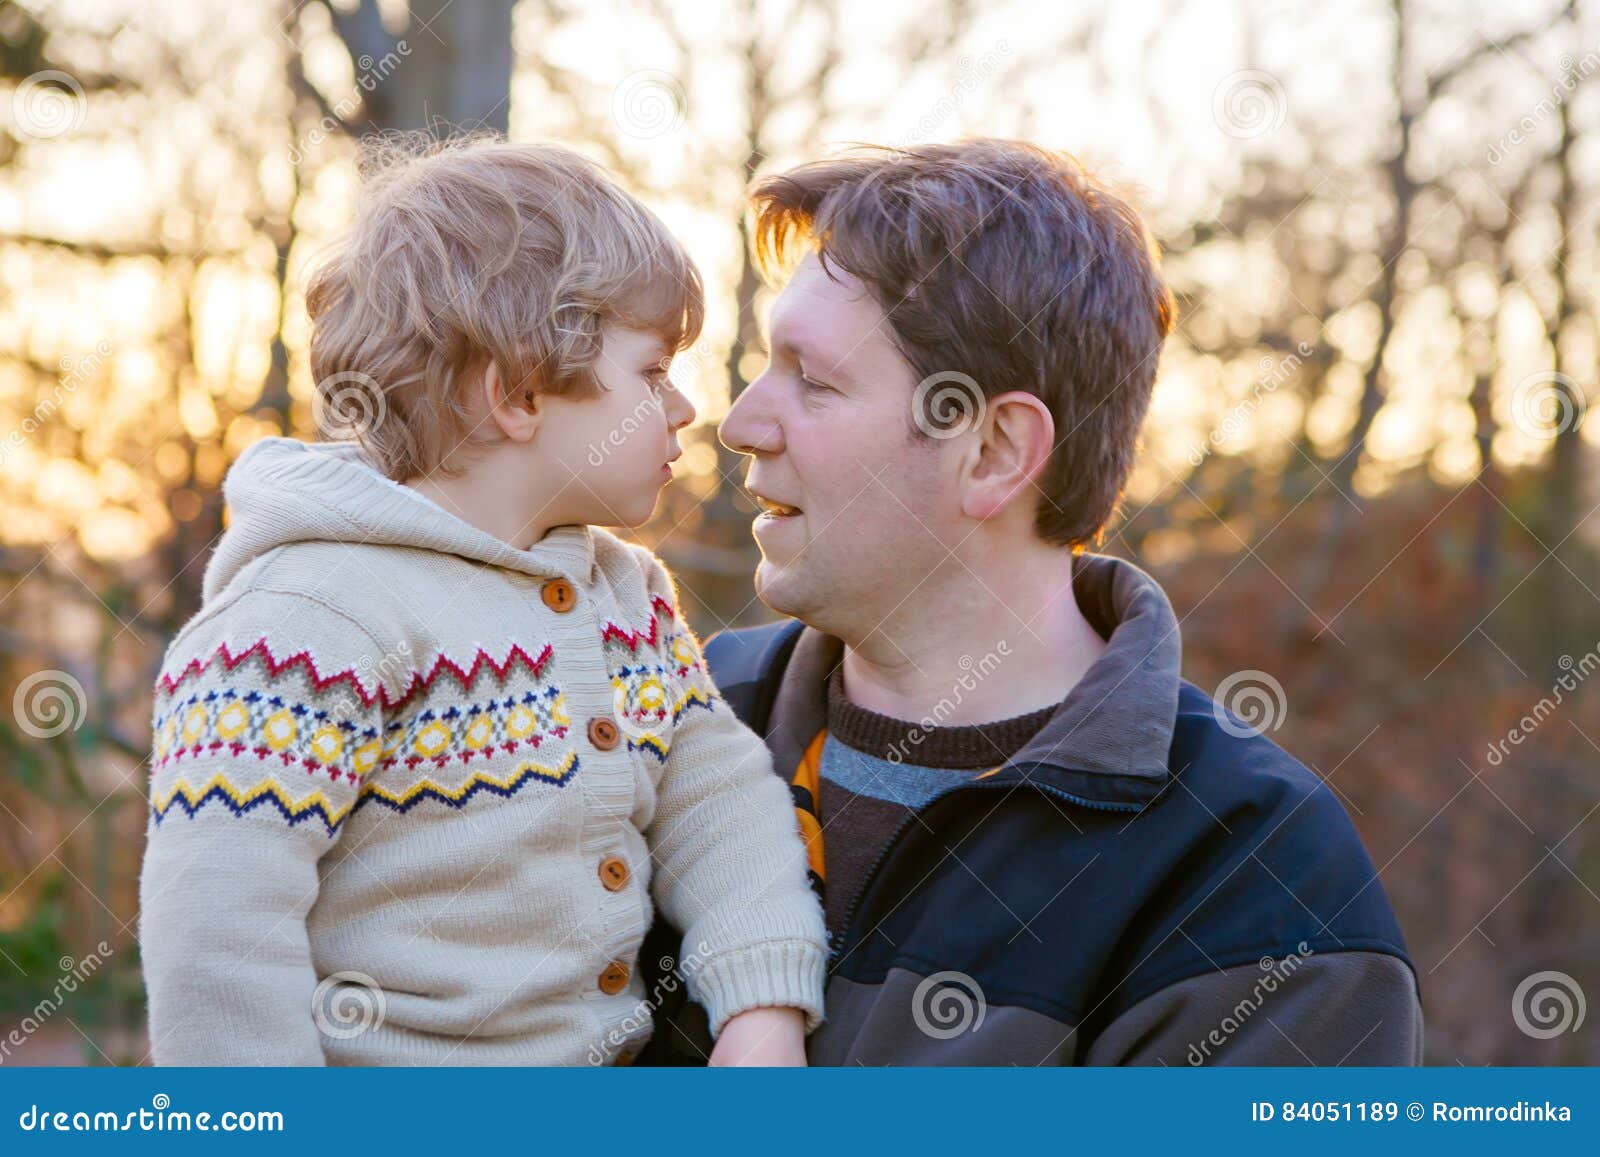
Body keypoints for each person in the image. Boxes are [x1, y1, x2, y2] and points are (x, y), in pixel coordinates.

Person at [639, 140, 1423, 1065]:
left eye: (812, 380)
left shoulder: (1260, 894)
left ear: (996, 451)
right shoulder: (654, 717)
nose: (739, 424)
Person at [139, 137, 826, 1066]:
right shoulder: (305, 618)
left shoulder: (627, 596)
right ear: (515, 393)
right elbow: (216, 924)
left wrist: (761, 1006)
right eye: (653, 371)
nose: (684, 409)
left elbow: (718, 798)